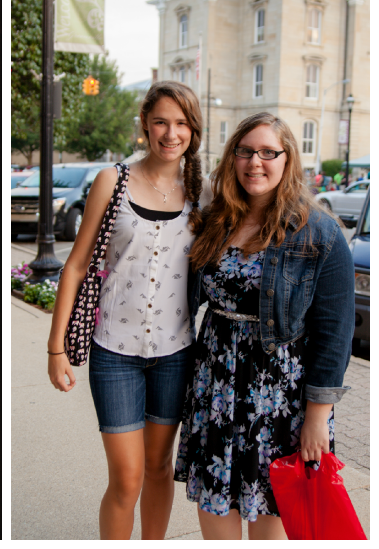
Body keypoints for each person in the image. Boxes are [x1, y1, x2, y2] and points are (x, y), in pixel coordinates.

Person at [174, 112, 355, 539]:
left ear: (287, 159)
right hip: (215, 388)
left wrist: (317, 417)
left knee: (269, 525)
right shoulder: (215, 220)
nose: (255, 162)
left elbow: (335, 335)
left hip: (280, 400)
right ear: (232, 158)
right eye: (245, 151)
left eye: (268, 152)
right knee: (216, 517)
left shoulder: (320, 234)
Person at [46, 81, 203, 540]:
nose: (170, 133)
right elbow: (74, 267)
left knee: (159, 468)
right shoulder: (111, 181)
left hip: (176, 352)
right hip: (114, 351)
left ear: (192, 130)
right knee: (127, 477)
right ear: (145, 125)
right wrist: (56, 349)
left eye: (181, 124)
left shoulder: (203, 191)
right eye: (161, 122)